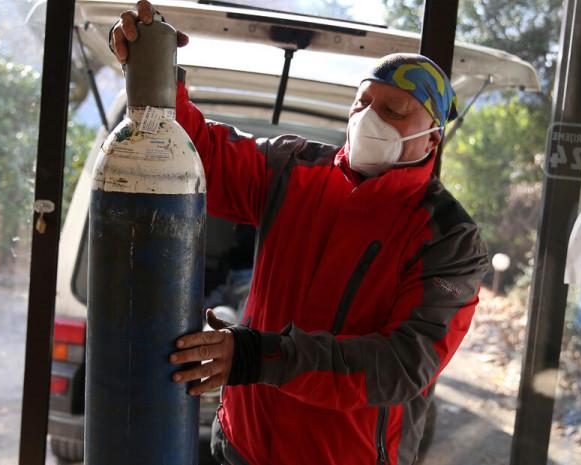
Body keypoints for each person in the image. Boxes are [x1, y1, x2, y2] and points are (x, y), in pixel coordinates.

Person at [110, 2, 489, 464]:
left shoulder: (449, 239)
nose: (368, 118)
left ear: (432, 136)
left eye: (392, 110)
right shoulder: (294, 169)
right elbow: (200, 150)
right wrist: (154, 69)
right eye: (364, 102)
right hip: (242, 445)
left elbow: (402, 365)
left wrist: (257, 357)